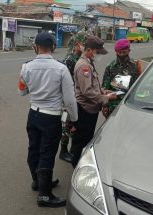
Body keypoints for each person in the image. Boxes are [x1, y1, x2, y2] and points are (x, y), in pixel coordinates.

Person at [18, 32, 78, 208]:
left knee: (34, 148)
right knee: (47, 153)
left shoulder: (26, 67)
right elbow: (69, 99)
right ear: (53, 47)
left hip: (33, 114)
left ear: (36, 47)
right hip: (51, 116)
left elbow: (21, 91)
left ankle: (38, 182)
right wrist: (73, 119)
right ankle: (44, 196)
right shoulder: (61, 68)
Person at [71, 35, 117, 168]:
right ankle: (77, 166)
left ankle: (78, 162)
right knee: (82, 139)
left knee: (85, 137)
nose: (99, 55)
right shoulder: (83, 66)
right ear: (90, 50)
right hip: (85, 109)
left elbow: (92, 86)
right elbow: (87, 91)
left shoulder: (88, 63)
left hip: (89, 108)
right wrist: (106, 98)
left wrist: (102, 91)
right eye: (97, 52)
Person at [59, 32, 87, 163]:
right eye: (83, 44)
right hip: (68, 98)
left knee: (74, 125)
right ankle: (63, 151)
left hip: (77, 97)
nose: (84, 47)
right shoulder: (70, 59)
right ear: (77, 44)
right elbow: (65, 82)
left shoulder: (81, 58)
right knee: (67, 124)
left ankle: (71, 149)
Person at [102, 39, 142, 118]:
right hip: (113, 106)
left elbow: (138, 87)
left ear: (129, 50)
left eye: (124, 52)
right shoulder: (110, 67)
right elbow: (104, 88)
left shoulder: (135, 66)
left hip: (129, 105)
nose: (121, 55)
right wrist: (105, 105)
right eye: (119, 52)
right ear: (116, 52)